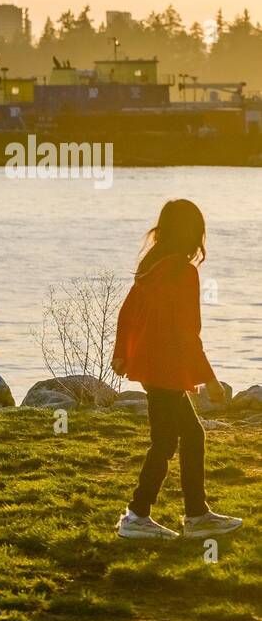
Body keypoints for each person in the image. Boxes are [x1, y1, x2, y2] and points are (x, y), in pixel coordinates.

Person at [110, 199, 243, 540]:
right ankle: (138, 515)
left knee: (184, 436)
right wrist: (210, 380)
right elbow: (188, 334)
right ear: (194, 232)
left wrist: (121, 354)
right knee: (166, 441)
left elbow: (127, 313)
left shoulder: (152, 266)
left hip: (153, 368)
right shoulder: (182, 271)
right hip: (166, 369)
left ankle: (193, 514)